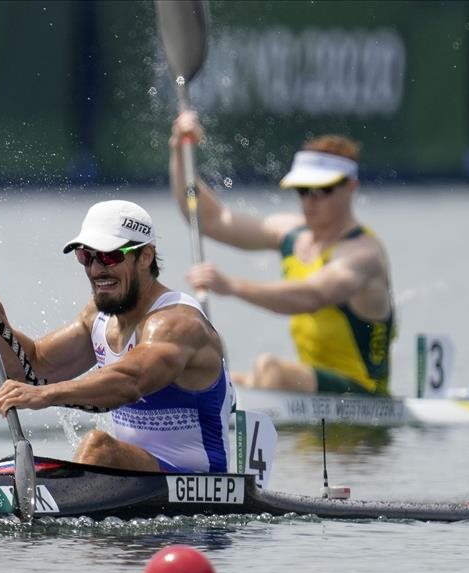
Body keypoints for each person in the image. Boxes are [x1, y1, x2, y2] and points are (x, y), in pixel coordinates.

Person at [0, 199, 234, 473]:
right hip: (135, 474)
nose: (97, 269)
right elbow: (32, 369)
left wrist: (45, 395)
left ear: (145, 256)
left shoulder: (178, 322)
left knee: (98, 446)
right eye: (87, 256)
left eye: (111, 256)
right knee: (15, 463)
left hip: (198, 482)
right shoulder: (98, 318)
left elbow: (129, 383)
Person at [168, 111, 395, 396]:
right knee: (198, 373)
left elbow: (311, 296)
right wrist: (179, 151)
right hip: (310, 385)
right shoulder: (291, 232)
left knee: (270, 368)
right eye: (303, 190)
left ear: (351, 187)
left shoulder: (363, 254)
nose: (310, 200)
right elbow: (209, 219)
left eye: (322, 190)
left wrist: (232, 286)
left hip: (364, 392)